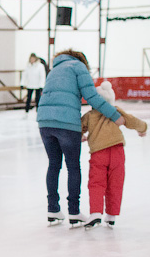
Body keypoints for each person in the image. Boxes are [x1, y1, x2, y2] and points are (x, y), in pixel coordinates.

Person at [37, 49, 125, 228]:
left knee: (54, 165)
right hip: (66, 124)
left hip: (44, 122)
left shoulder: (54, 70)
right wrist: (115, 115)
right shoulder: (79, 68)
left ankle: (52, 209)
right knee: (72, 167)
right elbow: (92, 97)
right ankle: (74, 211)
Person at [81, 81, 148, 229]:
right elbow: (132, 120)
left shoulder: (90, 115)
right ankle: (111, 215)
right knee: (115, 184)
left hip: (99, 152)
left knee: (96, 183)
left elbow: (78, 127)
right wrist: (142, 128)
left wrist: (80, 136)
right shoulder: (115, 110)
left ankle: (96, 213)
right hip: (117, 151)